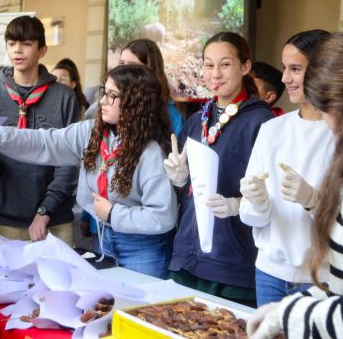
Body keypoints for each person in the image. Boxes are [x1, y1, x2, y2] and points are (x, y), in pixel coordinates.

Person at [0, 64, 177, 279]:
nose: (103, 101)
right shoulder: (92, 133)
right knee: (107, 304)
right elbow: (44, 142)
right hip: (104, 238)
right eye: (104, 92)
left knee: (138, 310)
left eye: (112, 95)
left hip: (143, 249)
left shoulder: (150, 152)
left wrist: (115, 214)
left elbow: (163, 216)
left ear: (135, 102)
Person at [246, 32, 343, 338]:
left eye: (296, 69)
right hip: (275, 272)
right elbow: (253, 216)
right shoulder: (273, 129)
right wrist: (255, 202)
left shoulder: (334, 135)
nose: (285, 78)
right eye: (284, 67)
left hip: (318, 277)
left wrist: (314, 201)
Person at [165, 32, 273, 306]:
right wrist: (180, 180)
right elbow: (193, 187)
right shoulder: (199, 118)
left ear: (245, 67)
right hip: (189, 256)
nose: (215, 73)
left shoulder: (261, 122)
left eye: (225, 64)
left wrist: (237, 203)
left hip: (232, 262)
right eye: (208, 64)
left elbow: (270, 191)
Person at [0, 15, 79, 245]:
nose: (17, 51)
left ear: (42, 50)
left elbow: (69, 161)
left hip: (56, 220)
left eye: (26, 44)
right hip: (8, 220)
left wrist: (46, 209)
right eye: (12, 44)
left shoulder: (64, 97)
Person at [119, 38, 185, 136]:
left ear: (150, 70)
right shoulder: (110, 104)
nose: (123, 71)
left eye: (132, 66)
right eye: (121, 64)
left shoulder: (173, 118)